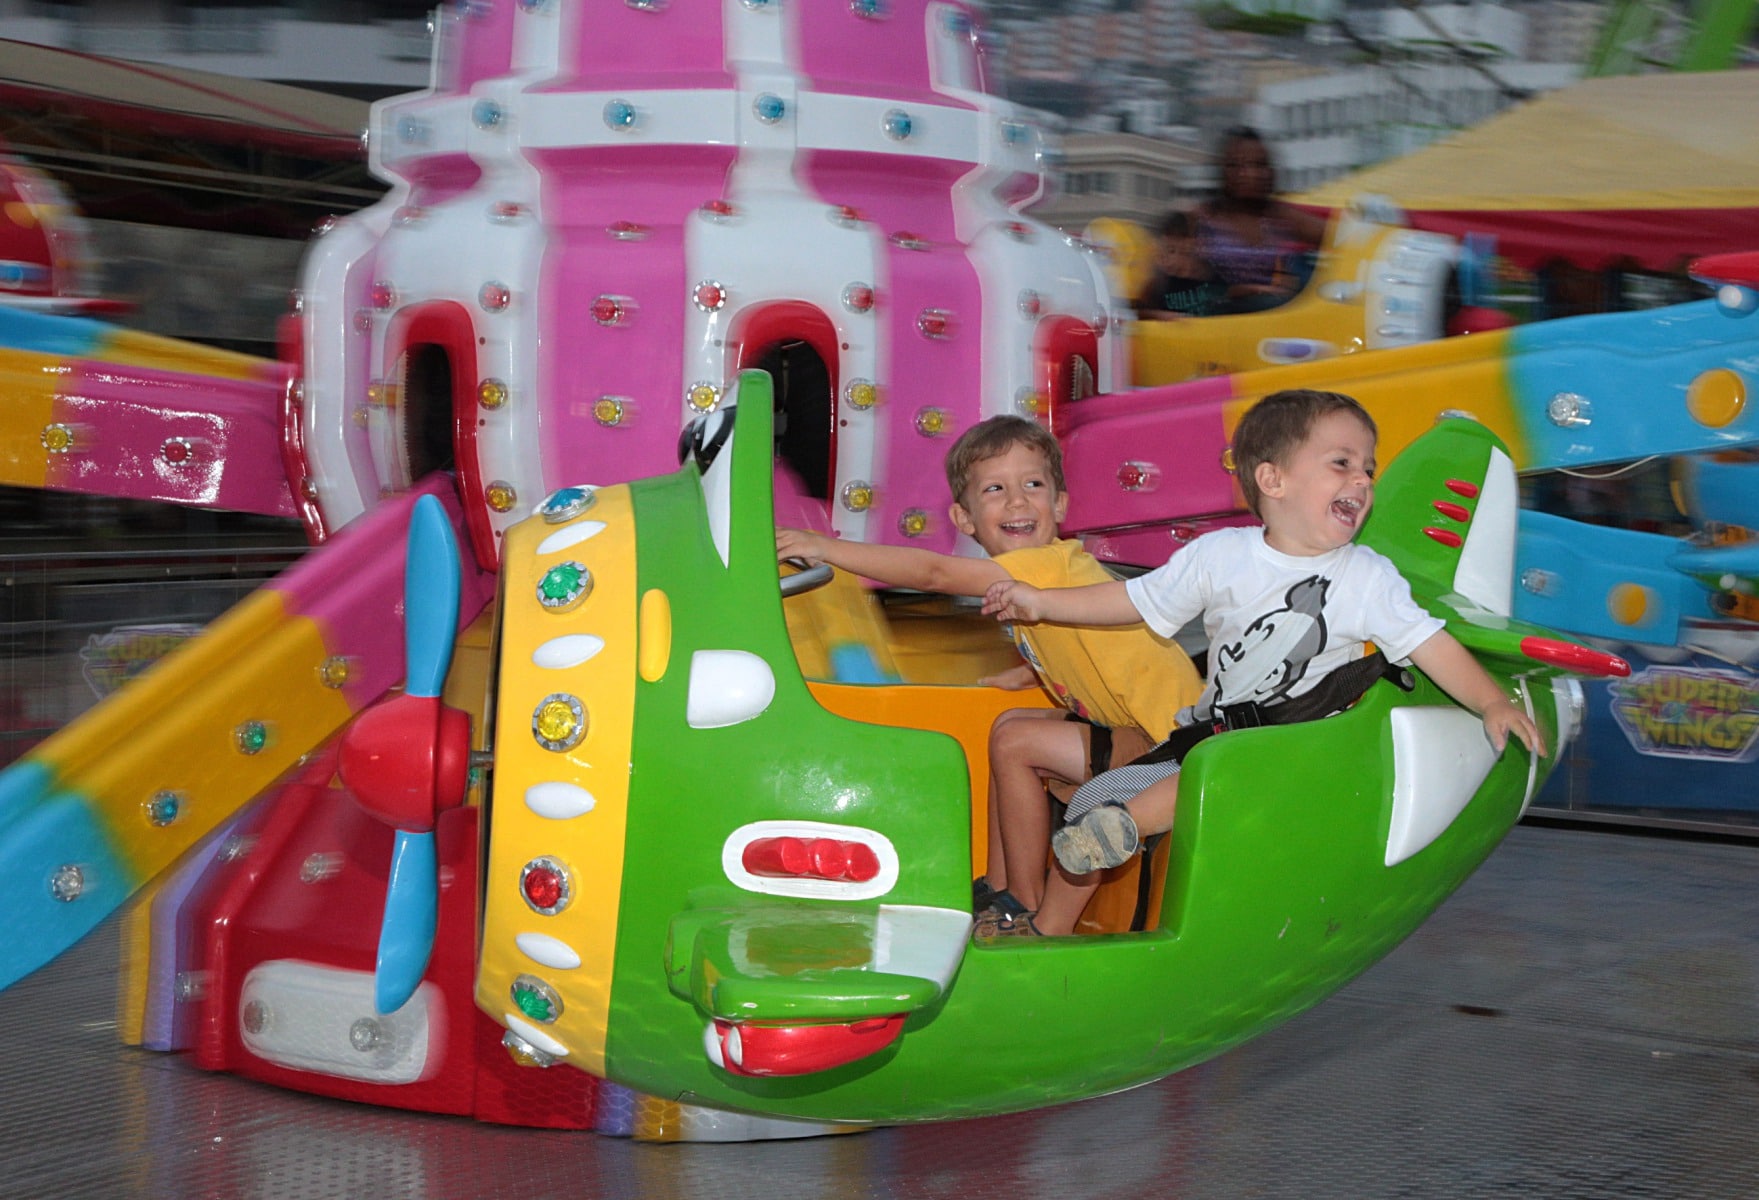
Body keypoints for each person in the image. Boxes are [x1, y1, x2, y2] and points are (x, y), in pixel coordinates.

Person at [981, 389, 1546, 879]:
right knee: (1100, 794)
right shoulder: (1220, 556)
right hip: (1221, 731)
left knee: (1210, 774)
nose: (1362, 480)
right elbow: (1130, 600)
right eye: (1342, 463)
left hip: (1304, 747)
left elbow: (1430, 643)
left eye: (1368, 470)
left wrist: (1491, 702)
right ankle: (1059, 890)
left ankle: (1124, 826)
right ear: (1273, 480)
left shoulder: (1366, 577)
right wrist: (1041, 602)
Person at [776, 416, 1201, 937]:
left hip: (1173, 747)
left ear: (1059, 505)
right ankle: (1001, 886)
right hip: (1145, 732)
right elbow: (1090, 643)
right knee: (1010, 726)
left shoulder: (1045, 565)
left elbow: (933, 573)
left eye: (1033, 485)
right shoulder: (1039, 575)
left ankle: (1023, 901)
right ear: (965, 517)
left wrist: (824, 547)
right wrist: (1029, 672)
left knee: (1016, 741)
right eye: (996, 489)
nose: (1018, 501)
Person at [1195, 127, 1327, 314]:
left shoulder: (1280, 216)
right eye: (1238, 165)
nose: (1252, 174)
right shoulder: (1203, 218)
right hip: (1217, 315)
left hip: (1269, 317)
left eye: (1260, 165)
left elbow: (1339, 236)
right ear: (1223, 170)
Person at [1134, 209, 1225, 320]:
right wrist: (1158, 315)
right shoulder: (1159, 284)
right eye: (1161, 252)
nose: (1165, 260)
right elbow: (1135, 313)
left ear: (1189, 246)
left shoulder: (1214, 277)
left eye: (1171, 250)